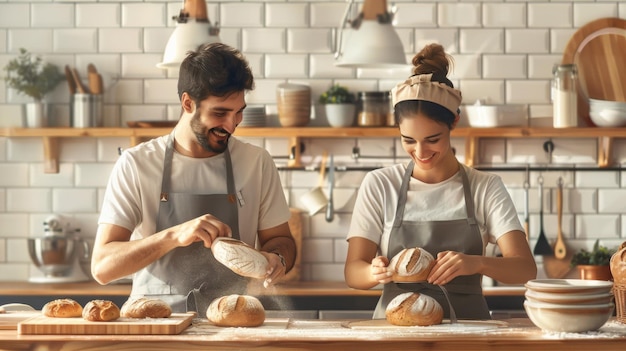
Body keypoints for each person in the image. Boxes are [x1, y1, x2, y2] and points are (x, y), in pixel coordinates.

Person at [91, 43, 296, 313]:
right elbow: (103, 267)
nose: (232, 125)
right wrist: (174, 236)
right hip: (152, 323)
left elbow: (283, 241)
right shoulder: (136, 164)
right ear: (188, 103)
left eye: (239, 112)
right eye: (220, 113)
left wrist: (277, 258)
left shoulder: (256, 163)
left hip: (229, 319)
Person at [344, 43, 537, 320]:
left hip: (469, 335)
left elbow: (525, 268)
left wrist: (475, 263)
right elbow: (353, 272)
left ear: (454, 122)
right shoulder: (379, 184)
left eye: (433, 140)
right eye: (408, 141)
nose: (421, 153)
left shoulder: (485, 186)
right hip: (396, 334)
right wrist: (373, 272)